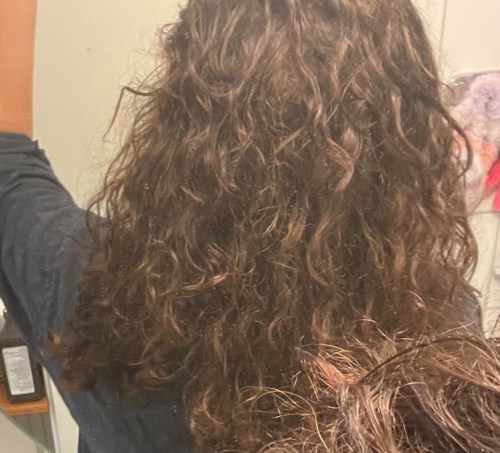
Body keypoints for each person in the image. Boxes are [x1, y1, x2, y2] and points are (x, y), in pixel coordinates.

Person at [0, 1, 499, 452]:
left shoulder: (92, 292)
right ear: (410, 131)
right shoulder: (438, 330)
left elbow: (8, 162)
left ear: (176, 121)